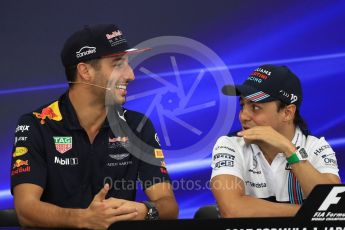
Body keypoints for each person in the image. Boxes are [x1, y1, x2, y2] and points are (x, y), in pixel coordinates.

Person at [11, 24, 178, 228]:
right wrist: (84, 219)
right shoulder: (37, 124)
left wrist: (144, 210)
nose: (130, 75)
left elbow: (169, 206)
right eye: (118, 64)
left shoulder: (138, 125)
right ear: (85, 71)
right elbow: (25, 210)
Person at [210, 64, 340, 217]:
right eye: (242, 105)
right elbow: (232, 210)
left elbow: (333, 209)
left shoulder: (316, 146)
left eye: (255, 107)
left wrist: (289, 150)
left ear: (287, 113)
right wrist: (309, 212)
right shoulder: (229, 144)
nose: (243, 116)